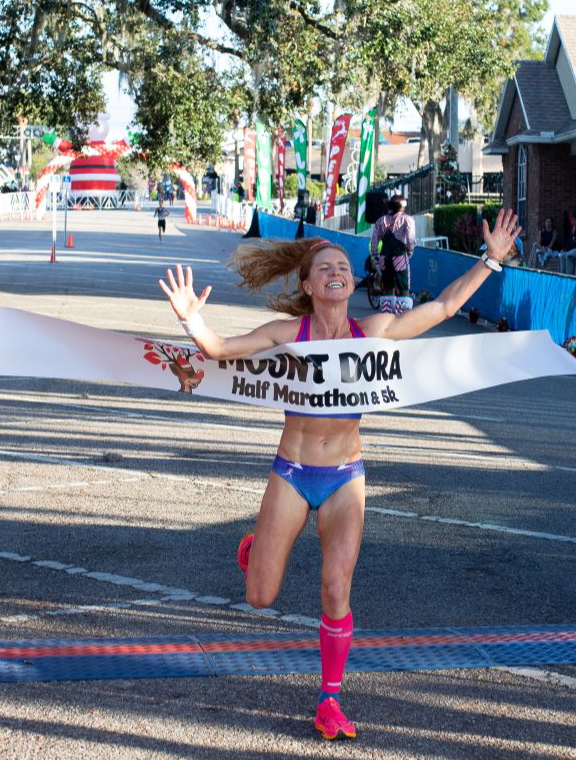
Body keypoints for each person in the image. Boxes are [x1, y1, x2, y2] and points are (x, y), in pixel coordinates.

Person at [158, 209, 522, 738]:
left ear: (353, 283)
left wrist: (490, 260)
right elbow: (218, 351)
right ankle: (255, 549)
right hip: (292, 472)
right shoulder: (289, 333)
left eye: (344, 268)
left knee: (336, 588)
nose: (336, 272)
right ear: (308, 285)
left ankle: (329, 699)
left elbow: (444, 307)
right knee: (260, 597)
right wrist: (191, 320)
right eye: (325, 268)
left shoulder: (372, 331)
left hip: (345, 477)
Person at [369, 196, 416, 306]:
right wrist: (409, 252)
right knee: (403, 288)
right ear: (403, 206)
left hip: (384, 258)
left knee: (388, 288)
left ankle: (387, 311)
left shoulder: (381, 220)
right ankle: (402, 312)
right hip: (400, 257)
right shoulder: (407, 219)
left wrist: (375, 255)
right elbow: (411, 240)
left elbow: (374, 241)